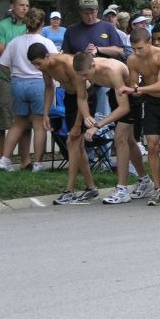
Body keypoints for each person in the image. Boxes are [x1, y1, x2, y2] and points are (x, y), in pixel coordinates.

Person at [70, 51, 152, 204]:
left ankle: (122, 189)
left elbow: (124, 108)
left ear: (93, 65)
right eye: (80, 75)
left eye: (86, 74)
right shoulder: (81, 71)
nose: (83, 78)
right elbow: (81, 97)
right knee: (129, 141)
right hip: (115, 93)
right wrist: (87, 116)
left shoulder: (111, 69)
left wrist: (97, 126)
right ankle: (145, 180)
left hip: (132, 95)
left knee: (120, 138)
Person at [27, 46, 99, 203]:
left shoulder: (68, 63)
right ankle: (91, 188)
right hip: (70, 97)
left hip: (85, 98)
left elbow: (83, 96)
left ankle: (70, 191)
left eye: (38, 63)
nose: (37, 67)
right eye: (34, 64)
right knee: (77, 146)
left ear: (47, 56)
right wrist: (45, 114)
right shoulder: (45, 67)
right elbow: (49, 87)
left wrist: (78, 124)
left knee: (72, 142)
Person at [121, 26, 160, 205]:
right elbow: (134, 87)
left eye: (140, 48)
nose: (137, 52)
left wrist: (137, 89)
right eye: (133, 49)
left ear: (149, 42)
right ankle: (158, 188)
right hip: (152, 104)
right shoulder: (132, 60)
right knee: (153, 146)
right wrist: (130, 90)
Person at [0, 8, 54, 172]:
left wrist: (13, 76)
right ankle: (38, 164)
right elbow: (54, 64)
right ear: (43, 23)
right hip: (38, 83)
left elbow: (3, 64)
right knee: (39, 125)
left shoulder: (15, 41)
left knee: (18, 123)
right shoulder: (46, 42)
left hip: (18, 83)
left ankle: (4, 160)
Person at [0, 0, 29, 162]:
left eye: (27, 6)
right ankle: (0, 159)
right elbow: (1, 53)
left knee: (25, 121)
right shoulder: (1, 26)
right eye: (21, 5)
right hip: (6, 78)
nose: (24, 8)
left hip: (26, 78)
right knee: (1, 120)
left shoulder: (30, 26)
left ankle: (25, 161)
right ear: (12, 6)